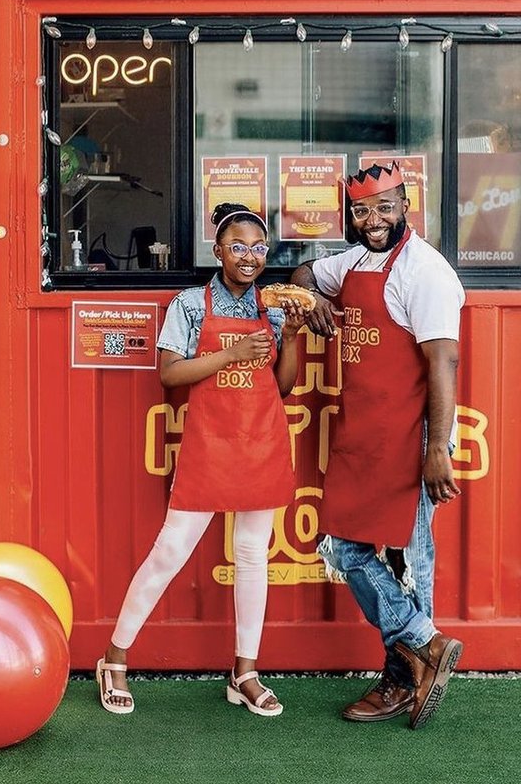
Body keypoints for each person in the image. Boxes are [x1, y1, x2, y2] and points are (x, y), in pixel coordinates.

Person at [96, 202, 308, 717]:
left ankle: (245, 672)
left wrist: (294, 336)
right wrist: (232, 355)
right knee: (171, 551)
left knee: (254, 556)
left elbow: (282, 386)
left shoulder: (275, 308)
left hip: (262, 444)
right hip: (209, 446)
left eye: (259, 248)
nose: (250, 257)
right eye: (238, 247)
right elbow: (170, 374)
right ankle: (114, 656)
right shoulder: (190, 305)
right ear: (218, 251)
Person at [291, 162, 465, 729]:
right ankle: (426, 646)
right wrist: (309, 295)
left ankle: (402, 676)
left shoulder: (426, 273)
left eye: (384, 207)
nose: (373, 220)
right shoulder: (356, 261)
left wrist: (436, 448)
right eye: (362, 210)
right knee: (343, 548)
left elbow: (444, 362)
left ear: (404, 204)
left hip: (411, 440)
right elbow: (300, 272)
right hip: (363, 435)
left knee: (409, 563)